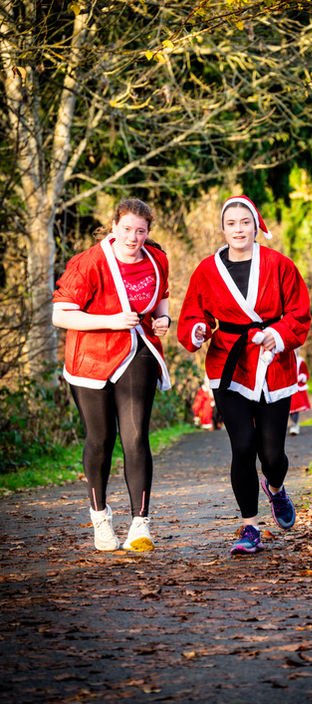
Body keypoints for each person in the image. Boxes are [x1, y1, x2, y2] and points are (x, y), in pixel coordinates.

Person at [177, 195, 311, 556]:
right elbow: (192, 315)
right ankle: (250, 526)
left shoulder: (280, 264)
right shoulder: (207, 270)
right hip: (228, 365)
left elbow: (299, 312)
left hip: (274, 363)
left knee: (272, 454)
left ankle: (277, 488)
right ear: (223, 228)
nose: (238, 229)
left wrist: (279, 334)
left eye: (244, 222)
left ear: (256, 226)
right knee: (242, 446)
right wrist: (199, 331)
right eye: (231, 223)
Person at [52, 198, 171, 553]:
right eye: (127, 229)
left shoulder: (157, 258)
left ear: (148, 232)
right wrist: (110, 320)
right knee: (100, 439)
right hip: (90, 359)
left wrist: (163, 319)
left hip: (137, 351)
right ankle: (101, 519)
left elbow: (162, 295)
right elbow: (61, 314)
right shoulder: (88, 263)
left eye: (141, 231)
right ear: (113, 226)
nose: (134, 237)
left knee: (135, 437)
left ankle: (140, 524)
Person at [289, 349, 311, 435]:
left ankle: (294, 425)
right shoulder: (286, 360)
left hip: (297, 388)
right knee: (290, 409)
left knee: (295, 408)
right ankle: (293, 424)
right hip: (287, 387)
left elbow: (306, 374)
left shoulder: (301, 361)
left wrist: (302, 376)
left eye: (297, 349)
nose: (295, 351)